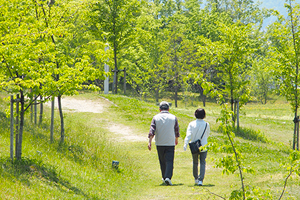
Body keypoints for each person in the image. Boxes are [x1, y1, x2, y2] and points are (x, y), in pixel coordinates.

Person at [148, 101, 180, 186]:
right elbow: (176, 129)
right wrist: (176, 139)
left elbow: (152, 130)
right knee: (169, 160)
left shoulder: (155, 117)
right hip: (170, 142)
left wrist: (150, 142)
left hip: (160, 142)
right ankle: (168, 177)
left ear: (159, 109)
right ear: (168, 109)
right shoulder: (173, 117)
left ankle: (164, 176)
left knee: (162, 161)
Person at [183, 108, 210, 186]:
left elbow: (188, 135)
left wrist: (185, 144)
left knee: (195, 162)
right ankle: (201, 179)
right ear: (204, 115)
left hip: (194, 146)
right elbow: (207, 134)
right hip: (203, 145)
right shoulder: (206, 124)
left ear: (195, 114)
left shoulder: (191, 124)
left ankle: (196, 178)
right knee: (202, 162)